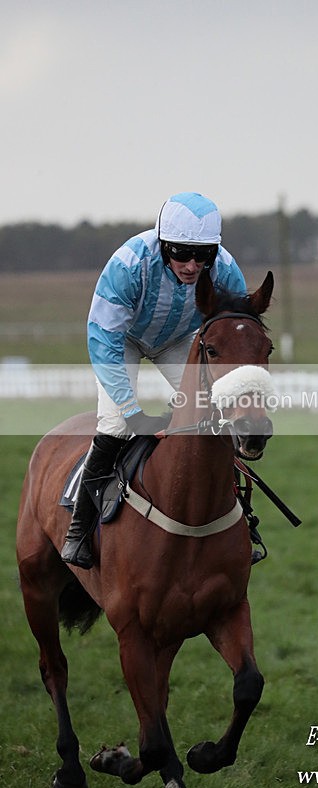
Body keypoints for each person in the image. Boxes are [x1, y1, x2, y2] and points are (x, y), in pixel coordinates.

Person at [61, 192, 246, 569]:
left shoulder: (225, 268)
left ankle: (239, 520)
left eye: (203, 255)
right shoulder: (128, 265)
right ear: (163, 244)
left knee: (217, 417)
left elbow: (232, 330)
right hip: (123, 340)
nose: (192, 266)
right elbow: (105, 340)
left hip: (178, 340)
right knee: (116, 425)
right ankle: (78, 530)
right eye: (181, 253)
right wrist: (133, 413)